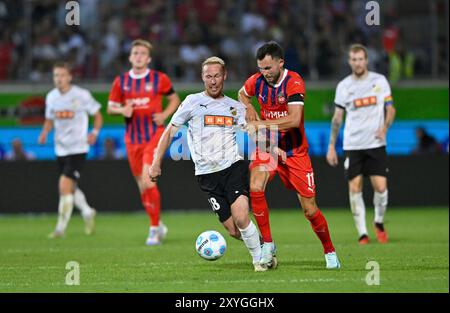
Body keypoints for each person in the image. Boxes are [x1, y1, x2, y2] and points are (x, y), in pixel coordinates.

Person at [147, 56, 267, 272]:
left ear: (225, 76)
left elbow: (256, 130)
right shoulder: (192, 102)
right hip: (206, 176)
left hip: (233, 168)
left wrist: (259, 134)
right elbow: (169, 131)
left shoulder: (235, 107)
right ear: (202, 77)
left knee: (241, 217)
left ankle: (260, 260)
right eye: (208, 76)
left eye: (217, 76)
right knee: (233, 230)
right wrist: (156, 162)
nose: (213, 81)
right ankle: (265, 246)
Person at [238, 41, 340, 269]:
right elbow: (242, 95)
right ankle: (268, 244)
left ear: (280, 63)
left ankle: (329, 251)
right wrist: (249, 109)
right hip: (268, 147)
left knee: (310, 209)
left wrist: (259, 123)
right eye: (261, 68)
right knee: (255, 186)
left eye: (268, 68)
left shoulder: (293, 82)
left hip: (295, 152)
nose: (264, 73)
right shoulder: (256, 81)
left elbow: (294, 120)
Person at [107, 39, 181, 246]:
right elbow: (111, 107)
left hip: (154, 136)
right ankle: (157, 222)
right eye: (135, 53)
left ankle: (154, 229)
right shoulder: (121, 82)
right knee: (142, 187)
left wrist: (165, 114)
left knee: (149, 181)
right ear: (130, 57)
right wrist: (123, 110)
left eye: (142, 53)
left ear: (148, 59)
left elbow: (175, 99)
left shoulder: (160, 79)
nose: (138, 56)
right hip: (132, 140)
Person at [327, 44, 396, 245]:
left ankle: (379, 222)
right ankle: (363, 233)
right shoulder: (344, 86)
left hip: (376, 143)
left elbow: (390, 109)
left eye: (360, 59)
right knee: (355, 188)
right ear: (350, 62)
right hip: (353, 144)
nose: (357, 63)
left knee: (381, 188)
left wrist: (385, 127)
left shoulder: (379, 81)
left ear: (366, 60)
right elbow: (337, 118)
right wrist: (332, 146)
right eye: (354, 59)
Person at [38, 62, 102, 238]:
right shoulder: (51, 97)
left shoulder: (81, 95)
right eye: (56, 76)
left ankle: (60, 229)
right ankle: (87, 211)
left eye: (62, 75)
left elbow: (97, 114)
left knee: (64, 187)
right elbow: (50, 119)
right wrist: (44, 133)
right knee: (71, 188)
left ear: (69, 77)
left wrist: (94, 133)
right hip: (60, 149)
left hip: (78, 148)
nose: (59, 79)